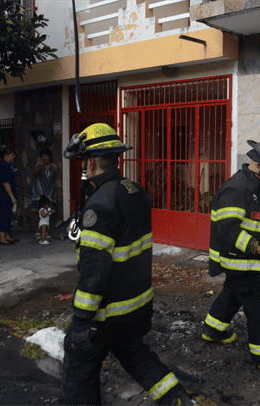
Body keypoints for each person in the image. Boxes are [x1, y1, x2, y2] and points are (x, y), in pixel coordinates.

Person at [62, 123, 194, 405]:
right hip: (137, 307)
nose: (83, 168)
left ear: (92, 162)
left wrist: (82, 321)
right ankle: (178, 400)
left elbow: (94, 272)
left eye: (84, 163)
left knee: (79, 366)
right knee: (137, 357)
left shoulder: (100, 206)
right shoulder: (135, 192)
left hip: (105, 314)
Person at [202, 139, 260, 374]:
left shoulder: (254, 184)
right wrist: (254, 246)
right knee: (259, 304)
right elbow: (229, 229)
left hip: (242, 259)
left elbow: (251, 222)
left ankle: (213, 330)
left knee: (233, 293)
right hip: (240, 260)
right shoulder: (238, 188)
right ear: (258, 165)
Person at [0, 147, 19, 245]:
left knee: (8, 216)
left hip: (5, 196)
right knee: (4, 216)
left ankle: (7, 235)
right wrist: (12, 196)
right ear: (6, 155)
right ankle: (2, 237)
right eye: (11, 154)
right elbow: (5, 183)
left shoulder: (7, 165)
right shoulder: (3, 166)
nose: (13, 156)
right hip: (4, 196)